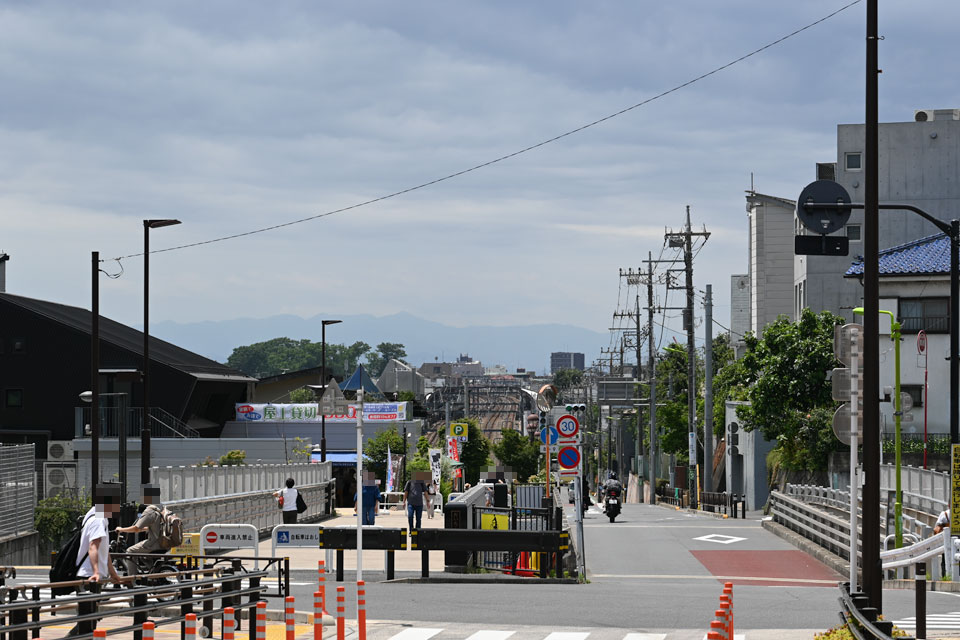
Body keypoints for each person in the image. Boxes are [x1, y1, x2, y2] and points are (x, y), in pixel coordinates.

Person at [68, 485, 122, 636]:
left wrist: (113, 573)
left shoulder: (95, 516)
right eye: (116, 502)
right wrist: (97, 572)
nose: (118, 506)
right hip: (89, 576)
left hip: (89, 575)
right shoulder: (98, 520)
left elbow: (105, 551)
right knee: (87, 621)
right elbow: (93, 547)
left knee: (89, 620)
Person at [115, 484, 165, 579]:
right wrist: (145, 529)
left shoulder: (150, 510)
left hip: (154, 542)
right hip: (164, 542)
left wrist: (121, 529)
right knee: (142, 556)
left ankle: (132, 579)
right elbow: (155, 527)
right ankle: (152, 574)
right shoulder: (162, 508)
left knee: (130, 551)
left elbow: (136, 528)